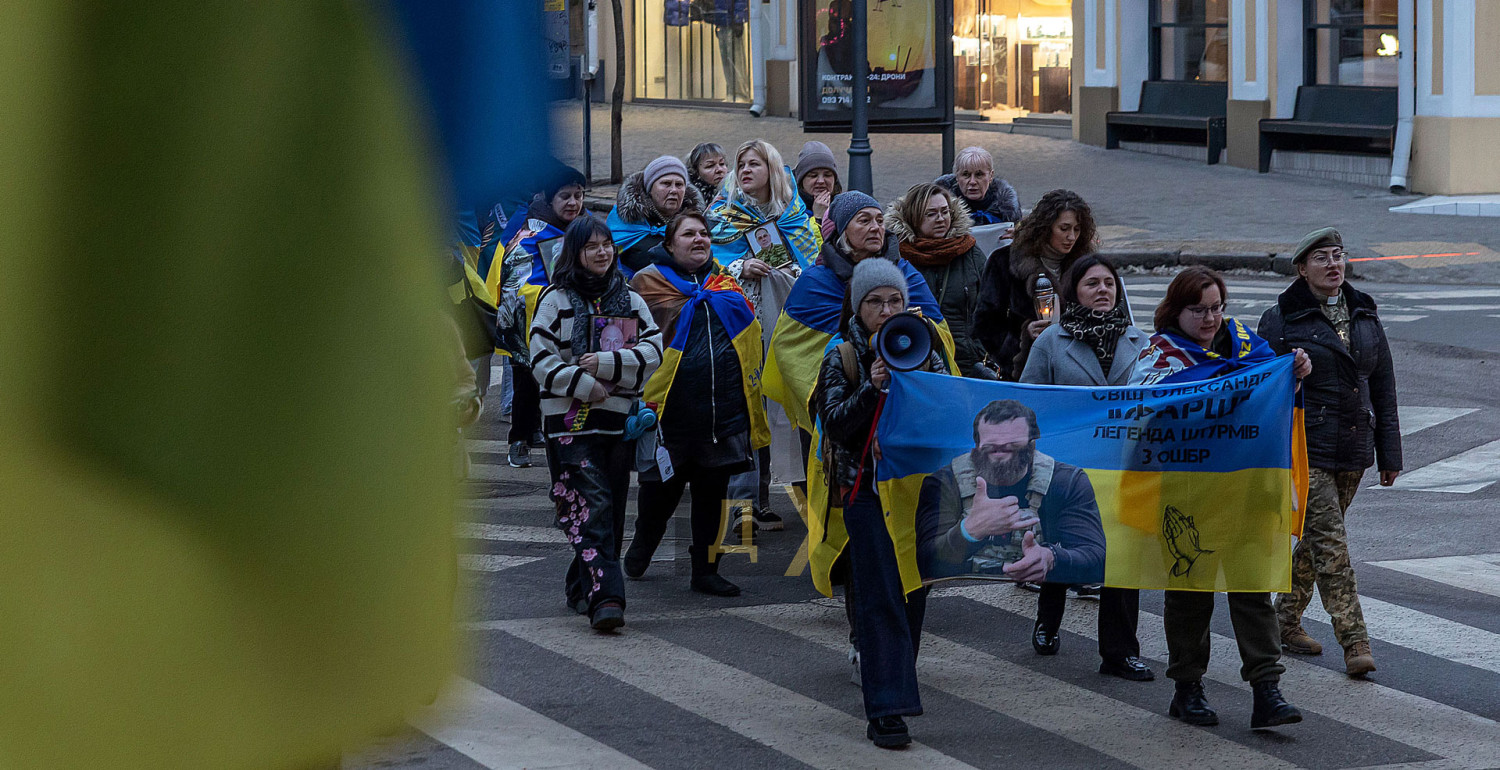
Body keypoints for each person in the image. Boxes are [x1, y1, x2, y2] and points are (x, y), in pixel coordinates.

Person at [1133, 266, 1309, 730]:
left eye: (1216, 307)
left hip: (1247, 488)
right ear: (1177, 311)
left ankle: (1267, 689)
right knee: (1191, 593)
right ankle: (1187, 687)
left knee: (1254, 588)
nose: (1210, 318)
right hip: (1187, 493)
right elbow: (1141, 406)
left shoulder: (1244, 342)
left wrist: (1295, 371)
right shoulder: (1159, 356)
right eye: (1199, 310)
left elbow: (1271, 386)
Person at [814, 258, 949, 749]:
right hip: (865, 493)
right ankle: (888, 709)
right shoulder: (844, 356)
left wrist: (915, 385)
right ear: (858, 306)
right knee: (879, 596)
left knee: (913, 593)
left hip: (916, 492)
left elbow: (946, 415)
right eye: (875, 302)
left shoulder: (925, 347)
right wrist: (871, 389)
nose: (887, 310)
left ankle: (893, 677)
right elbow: (835, 425)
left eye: (894, 300)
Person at [1257, 227, 1401, 677]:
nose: (1334, 264)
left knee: (1317, 543)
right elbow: (1263, 386)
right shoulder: (1281, 318)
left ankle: (1284, 620)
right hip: (1307, 448)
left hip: (1354, 446)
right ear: (1302, 269)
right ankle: (1355, 641)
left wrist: (1389, 452)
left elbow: (1383, 386)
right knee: (1333, 547)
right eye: (1322, 258)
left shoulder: (1363, 313)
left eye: (1338, 256)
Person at [1018, 255, 1153, 680]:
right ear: (1073, 290)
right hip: (1069, 471)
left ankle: (1120, 652)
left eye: (1109, 283)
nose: (1102, 290)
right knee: (1065, 548)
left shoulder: (1140, 342)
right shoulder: (1052, 342)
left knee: (1122, 558)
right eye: (1092, 283)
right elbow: (1028, 403)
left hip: (1123, 471)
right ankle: (1048, 619)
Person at [624, 211, 769, 597]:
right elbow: (625, 341)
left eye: (704, 233)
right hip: (669, 415)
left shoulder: (724, 283)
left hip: (722, 413)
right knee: (659, 494)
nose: (699, 239)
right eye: (689, 234)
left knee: (712, 498)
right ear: (669, 244)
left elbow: (749, 336)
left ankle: (705, 571)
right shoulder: (646, 283)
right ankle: (643, 544)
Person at [530, 216, 663, 632]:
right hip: (569, 425)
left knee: (610, 510)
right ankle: (606, 598)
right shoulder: (555, 299)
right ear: (576, 253)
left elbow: (654, 349)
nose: (602, 252)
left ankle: (578, 585)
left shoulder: (630, 298)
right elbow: (540, 358)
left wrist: (607, 364)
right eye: (592, 247)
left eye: (606, 244)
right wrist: (584, 384)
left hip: (618, 423)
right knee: (592, 506)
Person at [914, 399, 1106, 587]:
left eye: (1011, 447)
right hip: (956, 603)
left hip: (1042, 598)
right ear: (976, 447)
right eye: (992, 448)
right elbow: (924, 563)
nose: (1001, 455)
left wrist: (1051, 557)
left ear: (1032, 446)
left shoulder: (1065, 481)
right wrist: (969, 531)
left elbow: (1095, 557)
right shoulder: (946, 482)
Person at [502, 165, 589, 468]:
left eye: (578, 196)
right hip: (531, 318)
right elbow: (516, 280)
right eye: (565, 196)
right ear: (549, 200)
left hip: (570, 319)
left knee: (559, 380)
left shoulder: (586, 229)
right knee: (526, 379)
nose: (573, 203)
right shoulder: (530, 233)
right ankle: (519, 440)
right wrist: (551, 294)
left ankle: (543, 431)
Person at [973, 189, 1097, 380]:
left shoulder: (1086, 266)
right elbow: (985, 323)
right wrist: (1023, 335)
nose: (1071, 237)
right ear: (1045, 228)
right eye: (1064, 229)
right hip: (1023, 371)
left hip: (1076, 371)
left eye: (1077, 229)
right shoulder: (1004, 261)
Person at [887, 182, 994, 380]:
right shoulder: (898, 258)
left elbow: (991, 307)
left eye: (945, 212)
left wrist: (981, 350)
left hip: (969, 364)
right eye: (931, 214)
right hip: (917, 362)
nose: (941, 219)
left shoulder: (969, 252)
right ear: (914, 218)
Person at [708, 139, 822, 270]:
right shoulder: (722, 212)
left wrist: (791, 272)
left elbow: (809, 263)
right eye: (740, 165)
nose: (745, 170)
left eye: (754, 164)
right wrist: (740, 268)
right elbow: (704, 260)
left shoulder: (792, 213)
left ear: (772, 170)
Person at [607, 155, 706, 276]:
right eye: (666, 183)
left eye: (679, 184)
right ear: (650, 189)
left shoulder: (696, 222)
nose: (674, 190)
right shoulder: (626, 222)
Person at [935, 146, 1022, 227]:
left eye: (979, 175)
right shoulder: (936, 206)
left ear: (991, 176)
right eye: (966, 174)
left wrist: (1016, 236)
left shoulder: (1008, 210)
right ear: (957, 177)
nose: (972, 182)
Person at [793, 140, 843, 242]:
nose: (821, 181)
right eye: (813, 175)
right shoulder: (789, 212)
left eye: (827, 175)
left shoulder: (844, 208)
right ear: (801, 180)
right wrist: (818, 218)